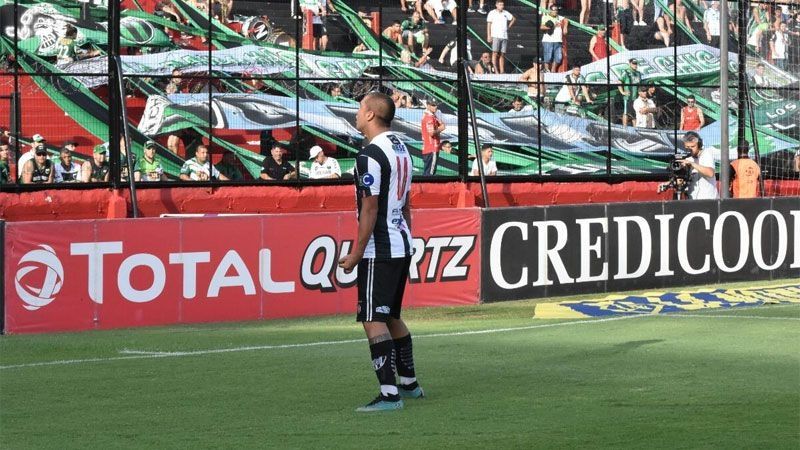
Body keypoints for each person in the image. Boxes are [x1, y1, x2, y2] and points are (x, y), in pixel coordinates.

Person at [337, 92, 422, 412]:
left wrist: (357, 253)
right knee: (392, 316)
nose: (357, 113)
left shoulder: (369, 155)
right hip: (401, 243)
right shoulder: (402, 149)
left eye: (360, 108)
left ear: (371, 114)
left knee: (373, 319)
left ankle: (389, 394)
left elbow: (369, 209)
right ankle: (409, 384)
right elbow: (407, 203)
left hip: (380, 247)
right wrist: (408, 239)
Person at [680, 131, 719, 200]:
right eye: (687, 147)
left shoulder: (706, 154)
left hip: (709, 200)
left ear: (699, 145)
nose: (690, 149)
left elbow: (710, 173)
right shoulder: (688, 159)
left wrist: (692, 164)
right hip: (693, 200)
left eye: (693, 146)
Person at [487, 1, 515, 74]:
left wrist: (508, 27)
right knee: (495, 53)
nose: (502, 6)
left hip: (504, 36)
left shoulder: (505, 13)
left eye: (502, 5)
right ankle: (495, 70)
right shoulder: (492, 13)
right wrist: (489, 35)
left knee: (502, 54)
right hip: (495, 35)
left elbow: (513, 19)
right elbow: (489, 25)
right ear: (496, 5)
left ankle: (502, 71)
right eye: (500, 5)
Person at [421, 98, 446, 175]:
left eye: (436, 105)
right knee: (430, 174)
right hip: (432, 148)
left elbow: (441, 124)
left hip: (428, 148)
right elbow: (431, 133)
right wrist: (440, 128)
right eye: (433, 105)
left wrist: (440, 125)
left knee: (427, 172)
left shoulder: (431, 116)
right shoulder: (429, 117)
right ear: (428, 106)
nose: (435, 107)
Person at [541, 5, 567, 73]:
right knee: (548, 57)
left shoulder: (559, 17)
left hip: (558, 40)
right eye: (554, 10)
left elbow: (566, 19)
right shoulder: (545, 17)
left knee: (558, 57)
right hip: (548, 40)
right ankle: (547, 70)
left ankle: (553, 70)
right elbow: (542, 27)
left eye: (556, 10)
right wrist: (552, 26)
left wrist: (565, 27)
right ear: (550, 11)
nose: (556, 11)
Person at [618, 58, 642, 127]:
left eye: (636, 63)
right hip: (628, 97)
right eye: (633, 63)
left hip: (636, 97)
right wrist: (622, 92)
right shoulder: (626, 72)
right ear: (630, 64)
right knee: (626, 112)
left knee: (635, 112)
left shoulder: (638, 73)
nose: (635, 65)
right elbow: (619, 82)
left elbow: (639, 85)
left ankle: (635, 128)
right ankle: (624, 128)